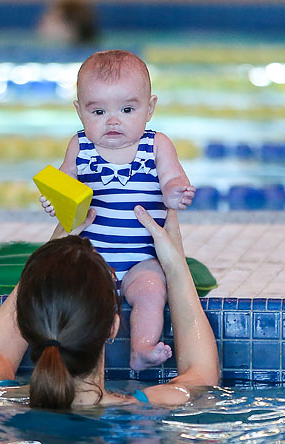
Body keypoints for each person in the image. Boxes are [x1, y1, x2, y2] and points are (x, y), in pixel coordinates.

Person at [0, 206, 219, 409]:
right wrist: (174, 264)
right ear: (113, 327)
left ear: (24, 324)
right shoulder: (152, 404)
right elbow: (202, 373)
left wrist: (51, 258)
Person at [40, 49, 196, 371]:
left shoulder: (157, 145)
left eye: (127, 109)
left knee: (152, 291)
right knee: (79, 296)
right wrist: (56, 197)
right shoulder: (80, 146)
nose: (113, 121)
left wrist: (174, 192)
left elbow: (171, 178)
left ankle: (141, 348)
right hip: (93, 258)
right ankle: (78, 358)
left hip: (141, 259)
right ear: (80, 111)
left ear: (149, 108)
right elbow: (65, 179)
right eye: (98, 112)